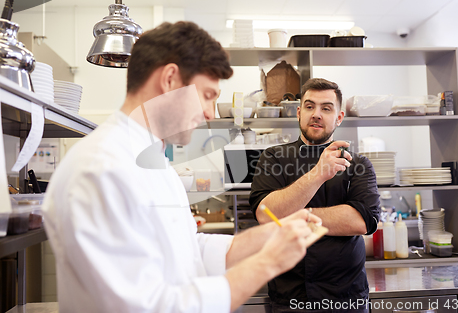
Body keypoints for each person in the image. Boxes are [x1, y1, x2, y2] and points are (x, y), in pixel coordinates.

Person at [42, 21, 322, 313]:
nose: (210, 114)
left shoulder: (155, 163)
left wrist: (270, 235)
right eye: (208, 95)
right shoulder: (101, 170)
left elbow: (189, 250)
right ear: (171, 80)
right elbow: (146, 306)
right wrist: (269, 262)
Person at [249, 78, 381, 313]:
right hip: (290, 297)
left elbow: (362, 221)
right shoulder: (273, 158)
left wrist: (296, 214)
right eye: (310, 107)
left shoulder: (358, 164)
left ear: (339, 118)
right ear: (299, 113)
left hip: (347, 298)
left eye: (326, 108)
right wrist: (318, 174)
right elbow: (266, 214)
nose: (316, 114)